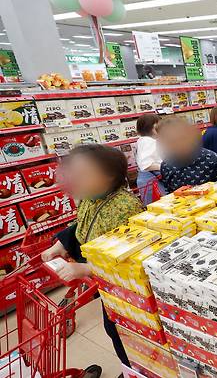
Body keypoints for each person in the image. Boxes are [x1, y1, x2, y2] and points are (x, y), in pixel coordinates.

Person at [41, 144, 144, 375]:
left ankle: (135, 370)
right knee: (113, 328)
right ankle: (130, 369)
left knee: (123, 330)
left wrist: (85, 269)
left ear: (108, 176)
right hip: (103, 285)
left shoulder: (126, 207)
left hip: (124, 290)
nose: (72, 179)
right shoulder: (89, 198)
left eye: (82, 174)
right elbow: (81, 226)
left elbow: (126, 257)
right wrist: (60, 245)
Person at [157, 116, 217, 192]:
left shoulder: (213, 159)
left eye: (181, 138)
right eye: (171, 141)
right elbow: (170, 194)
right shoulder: (166, 166)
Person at [135, 113, 166, 205]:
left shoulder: (142, 140)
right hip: (152, 179)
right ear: (152, 128)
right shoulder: (149, 142)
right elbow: (147, 165)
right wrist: (166, 167)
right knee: (161, 204)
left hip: (148, 179)